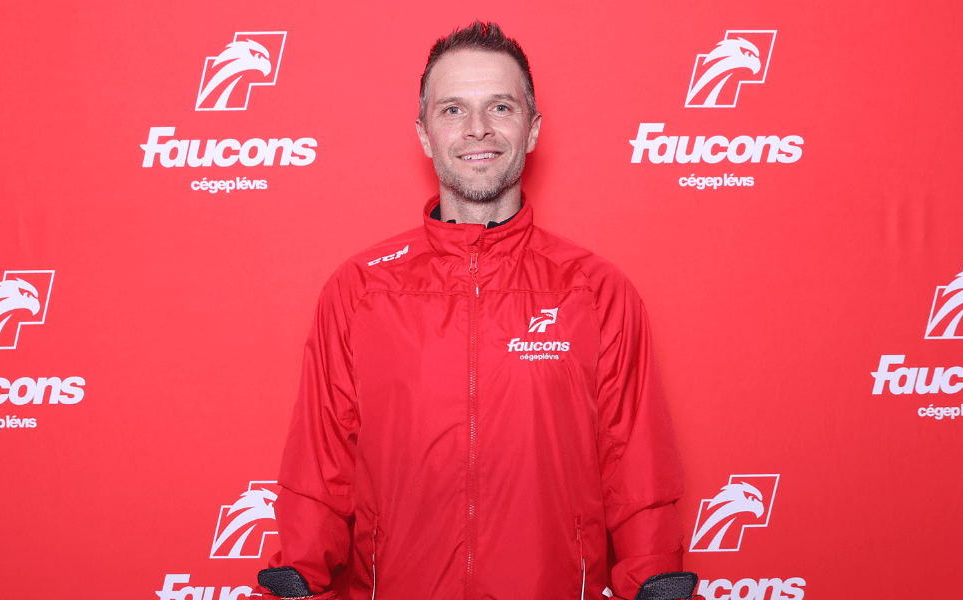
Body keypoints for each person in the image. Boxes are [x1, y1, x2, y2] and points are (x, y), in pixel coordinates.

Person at [253, 21, 693, 600]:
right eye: (453, 109)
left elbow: (638, 470)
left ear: (532, 129)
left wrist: (656, 584)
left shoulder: (596, 291)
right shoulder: (359, 290)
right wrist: (295, 584)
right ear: (424, 133)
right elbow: (320, 467)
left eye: (501, 107)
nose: (477, 129)